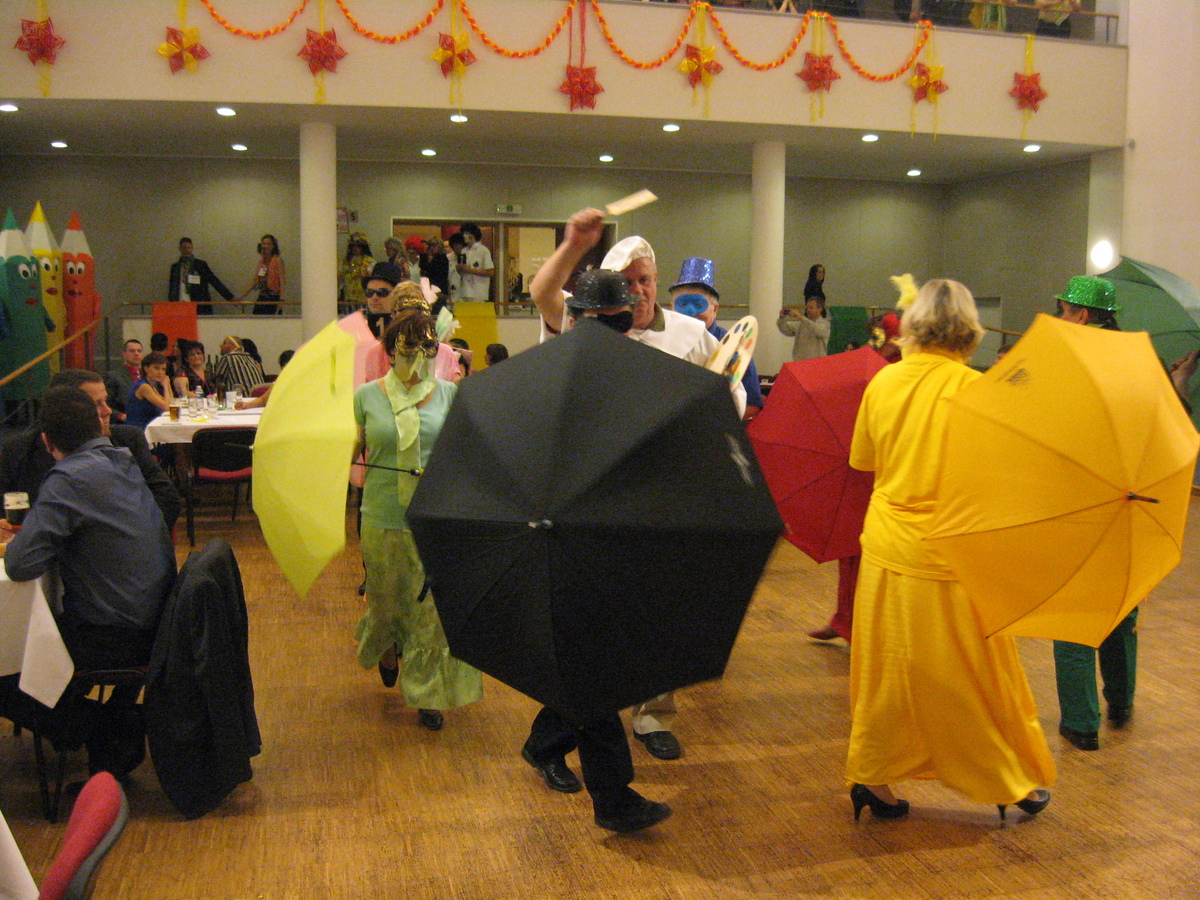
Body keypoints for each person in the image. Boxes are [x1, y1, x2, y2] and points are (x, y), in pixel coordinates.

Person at [528, 208, 744, 769]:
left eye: (647, 279)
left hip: (668, 497)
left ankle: (653, 716)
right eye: (630, 282)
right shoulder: (589, 327)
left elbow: (727, 393)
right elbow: (543, 293)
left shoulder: (692, 334)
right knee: (589, 628)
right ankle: (558, 737)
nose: (641, 290)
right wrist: (574, 245)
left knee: (663, 614)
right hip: (597, 497)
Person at [845, 276, 1053, 821]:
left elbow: (863, 460)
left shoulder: (883, 382)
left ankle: (873, 777)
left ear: (913, 325)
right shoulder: (975, 390)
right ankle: (1001, 776)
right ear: (969, 328)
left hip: (887, 545)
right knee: (970, 672)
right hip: (949, 552)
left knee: (887, 671)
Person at [520, 268, 673, 833]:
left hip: (614, 536)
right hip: (568, 539)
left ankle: (545, 742)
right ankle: (613, 798)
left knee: (603, 663)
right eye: (595, 321)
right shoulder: (553, 378)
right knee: (596, 670)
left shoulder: (631, 378)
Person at [3, 386, 176, 774]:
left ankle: (102, 729)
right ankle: (108, 726)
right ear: (98, 428)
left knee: (9, 659)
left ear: (47, 441)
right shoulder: (120, 461)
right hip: (154, 616)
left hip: (114, 633)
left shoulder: (69, 478)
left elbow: (19, 564)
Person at [351, 307, 482, 731]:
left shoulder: (449, 395)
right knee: (388, 600)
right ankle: (388, 645)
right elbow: (352, 450)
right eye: (407, 351)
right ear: (389, 353)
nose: (416, 360)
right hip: (383, 515)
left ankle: (427, 693)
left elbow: (466, 453)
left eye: (425, 350)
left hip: (435, 518)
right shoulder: (367, 396)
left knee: (431, 613)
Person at [1052, 275, 1137, 751]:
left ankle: (1081, 723)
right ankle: (1120, 703)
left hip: (1080, 502)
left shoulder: (1072, 363)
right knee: (1122, 606)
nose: (1061, 318)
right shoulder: (1138, 360)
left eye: (1064, 311)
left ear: (1082, 315)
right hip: (1131, 502)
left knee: (1073, 613)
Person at [0, 368, 181, 529]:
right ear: (63, 411)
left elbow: (166, 498)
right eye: (96, 404)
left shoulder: (127, 439)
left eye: (105, 401)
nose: (108, 410)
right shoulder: (20, 449)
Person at [668, 256, 764, 419]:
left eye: (699, 305)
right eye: (682, 304)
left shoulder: (734, 345)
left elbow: (753, 404)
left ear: (715, 309)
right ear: (672, 307)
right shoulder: (661, 341)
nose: (690, 312)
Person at [168, 237, 233, 315]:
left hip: (199, 305)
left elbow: (214, 281)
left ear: (192, 248)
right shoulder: (175, 267)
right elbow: (172, 288)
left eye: (189, 247)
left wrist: (230, 297)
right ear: (180, 249)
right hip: (180, 303)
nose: (186, 250)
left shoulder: (200, 265)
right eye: (184, 248)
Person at [234, 234, 285, 315]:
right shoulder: (261, 262)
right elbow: (255, 281)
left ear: (273, 246)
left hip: (273, 297)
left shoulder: (278, 260)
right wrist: (241, 296)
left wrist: (282, 300)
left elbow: (282, 281)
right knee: (256, 317)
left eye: (268, 244)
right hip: (262, 296)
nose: (266, 246)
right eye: (264, 243)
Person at [124, 351, 175, 430]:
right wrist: (165, 386)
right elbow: (167, 408)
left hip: (148, 426)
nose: (160, 372)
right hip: (138, 429)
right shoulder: (144, 387)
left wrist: (168, 385)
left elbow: (171, 403)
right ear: (146, 368)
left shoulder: (151, 385)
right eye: (156, 368)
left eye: (163, 369)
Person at [778, 295, 831, 361]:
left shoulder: (825, 324)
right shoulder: (801, 324)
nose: (808, 310)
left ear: (819, 309)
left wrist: (801, 317)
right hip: (799, 362)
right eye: (807, 308)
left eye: (811, 308)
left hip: (817, 363)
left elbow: (817, 330)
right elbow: (786, 331)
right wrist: (781, 318)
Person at [456, 223, 494, 306]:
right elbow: (462, 272)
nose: (463, 236)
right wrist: (459, 268)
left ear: (472, 235)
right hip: (464, 291)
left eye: (466, 233)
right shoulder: (464, 251)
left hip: (478, 292)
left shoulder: (483, 250)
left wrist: (470, 270)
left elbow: (490, 272)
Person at [104, 338, 142, 421]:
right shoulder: (114, 376)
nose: (136, 354)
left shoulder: (147, 375)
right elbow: (105, 404)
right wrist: (120, 416)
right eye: (132, 351)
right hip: (125, 421)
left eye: (139, 351)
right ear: (124, 354)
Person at [338, 232, 374, 315]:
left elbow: (372, 279)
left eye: (358, 246)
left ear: (363, 247)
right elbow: (340, 276)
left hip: (363, 298)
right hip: (348, 296)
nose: (355, 248)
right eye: (353, 246)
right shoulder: (346, 261)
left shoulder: (369, 261)